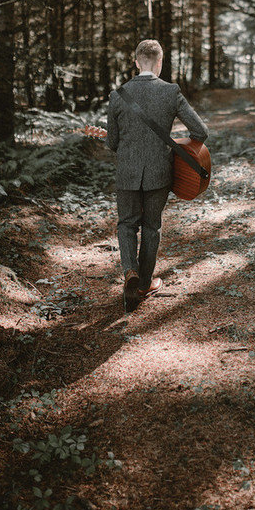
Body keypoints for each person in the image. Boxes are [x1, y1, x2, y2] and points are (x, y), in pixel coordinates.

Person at [106, 39, 208, 312]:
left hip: (127, 172)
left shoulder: (118, 95)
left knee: (126, 224)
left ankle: (130, 271)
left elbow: (112, 143)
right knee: (152, 226)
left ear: (136, 62)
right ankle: (144, 284)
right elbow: (200, 132)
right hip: (158, 173)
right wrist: (177, 146)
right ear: (160, 63)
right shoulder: (171, 92)